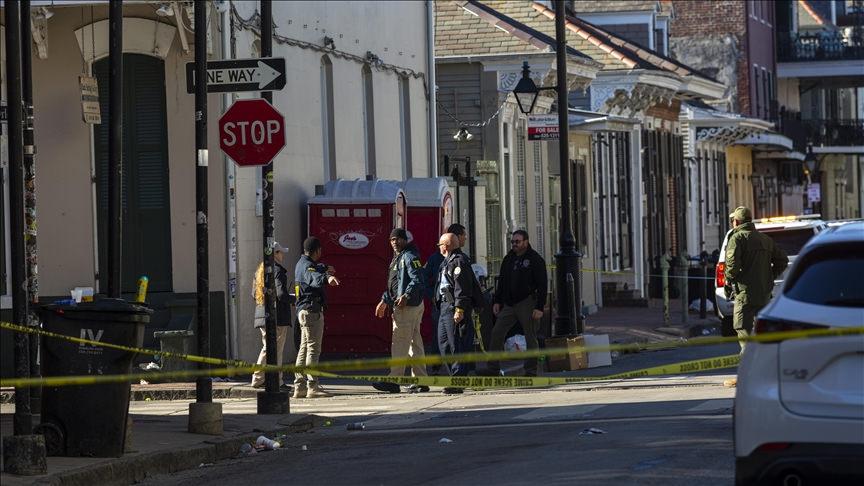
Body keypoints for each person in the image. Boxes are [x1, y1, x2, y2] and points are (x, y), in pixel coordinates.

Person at [723, 206, 788, 387]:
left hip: (744, 294)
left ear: (736, 222)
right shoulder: (766, 240)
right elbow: (782, 260)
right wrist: (769, 276)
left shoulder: (737, 238)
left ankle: (746, 374)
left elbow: (732, 267)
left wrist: (729, 281)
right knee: (762, 332)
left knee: (743, 331)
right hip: (764, 294)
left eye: (733, 221)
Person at [372, 229, 429, 393]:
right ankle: (421, 380)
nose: (394, 243)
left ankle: (394, 380)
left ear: (405, 240)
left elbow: (418, 278)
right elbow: (394, 284)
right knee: (414, 343)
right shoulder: (400, 256)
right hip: (411, 305)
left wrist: (406, 295)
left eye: (397, 239)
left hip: (407, 307)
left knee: (399, 343)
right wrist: (384, 300)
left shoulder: (409, 256)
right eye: (391, 240)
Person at [486, 230, 547, 377]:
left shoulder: (535, 259)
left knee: (530, 336)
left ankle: (531, 371)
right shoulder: (509, 259)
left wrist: (539, 307)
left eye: (517, 242)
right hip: (509, 303)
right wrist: (497, 301)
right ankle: (493, 368)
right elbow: (502, 281)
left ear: (526, 242)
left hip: (527, 302)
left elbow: (543, 284)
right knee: (497, 332)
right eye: (512, 242)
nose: (514, 244)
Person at [293, 236, 340, 398]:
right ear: (317, 250)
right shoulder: (307, 267)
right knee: (313, 349)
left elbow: (316, 268)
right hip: (312, 311)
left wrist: (326, 268)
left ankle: (299, 387)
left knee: (303, 348)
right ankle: (312, 386)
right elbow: (314, 277)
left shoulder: (301, 264)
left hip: (302, 311)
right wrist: (328, 278)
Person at [436, 233, 483, 391]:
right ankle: (453, 377)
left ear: (447, 245)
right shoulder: (445, 262)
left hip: (453, 307)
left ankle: (458, 380)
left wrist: (460, 308)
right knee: (444, 344)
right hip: (443, 307)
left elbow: (461, 288)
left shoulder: (459, 261)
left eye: (440, 245)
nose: (439, 248)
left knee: (456, 344)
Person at [251, 243, 293, 389]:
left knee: (266, 348)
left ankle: (258, 378)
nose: (283, 255)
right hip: (278, 316)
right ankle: (277, 380)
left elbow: (253, 295)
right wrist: (294, 299)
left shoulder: (259, 271)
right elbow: (281, 294)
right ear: (275, 253)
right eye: (281, 252)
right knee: (277, 349)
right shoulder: (277, 271)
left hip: (262, 315)